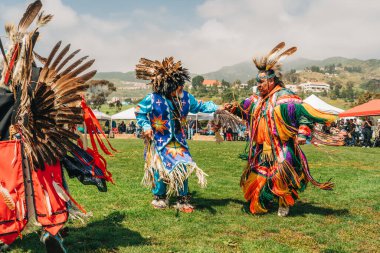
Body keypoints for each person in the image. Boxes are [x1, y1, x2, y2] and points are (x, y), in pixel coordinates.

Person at [0, 2, 115, 252]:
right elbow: (70, 110)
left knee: (12, 191)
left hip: (11, 149)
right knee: (46, 189)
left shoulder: (9, 84)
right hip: (45, 146)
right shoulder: (39, 77)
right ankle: (51, 231)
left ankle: (6, 237)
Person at [224, 42, 336, 217]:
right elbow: (245, 111)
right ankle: (263, 200)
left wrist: (302, 132)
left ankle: (284, 202)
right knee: (259, 175)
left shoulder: (284, 97)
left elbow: (303, 114)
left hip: (281, 146)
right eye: (257, 83)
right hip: (261, 148)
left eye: (261, 82)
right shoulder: (256, 100)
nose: (258, 85)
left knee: (281, 175)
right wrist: (234, 108)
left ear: (271, 80)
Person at [134, 57, 217, 213]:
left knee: (182, 166)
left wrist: (217, 107)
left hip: (178, 141)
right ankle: (160, 197)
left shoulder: (185, 98)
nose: (182, 88)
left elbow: (200, 106)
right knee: (160, 168)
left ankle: (182, 198)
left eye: (182, 85)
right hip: (159, 140)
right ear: (169, 86)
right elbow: (140, 111)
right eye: (178, 86)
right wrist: (146, 126)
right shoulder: (153, 99)